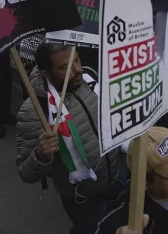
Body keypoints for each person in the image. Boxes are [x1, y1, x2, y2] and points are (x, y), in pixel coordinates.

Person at [16, 43, 125, 234]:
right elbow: (26, 172)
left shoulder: (91, 77)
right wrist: (41, 155)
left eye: (77, 60)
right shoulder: (35, 110)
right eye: (65, 67)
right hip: (83, 198)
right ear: (46, 73)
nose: (76, 70)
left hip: (118, 177)